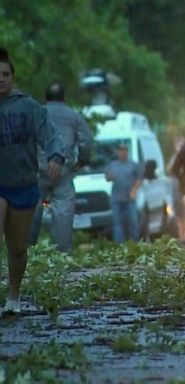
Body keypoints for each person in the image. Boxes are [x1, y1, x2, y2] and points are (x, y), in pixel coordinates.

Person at [0, 47, 65, 315]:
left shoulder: (28, 106)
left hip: (24, 184)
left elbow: (50, 134)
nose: (0, 79)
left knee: (17, 249)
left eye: (5, 74)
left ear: (12, 77)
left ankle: (13, 297)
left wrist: (56, 156)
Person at [29, 81, 93, 254]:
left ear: (45, 97)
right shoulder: (73, 116)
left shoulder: (37, 112)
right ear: (64, 98)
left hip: (39, 168)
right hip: (63, 168)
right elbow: (86, 140)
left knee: (32, 206)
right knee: (63, 209)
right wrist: (82, 161)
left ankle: (27, 251)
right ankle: (63, 253)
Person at [105, 143, 142, 243]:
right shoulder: (112, 165)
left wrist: (134, 190)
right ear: (117, 152)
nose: (122, 152)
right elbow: (107, 177)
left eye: (124, 150)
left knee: (133, 223)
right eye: (120, 150)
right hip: (116, 199)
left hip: (129, 199)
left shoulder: (133, 165)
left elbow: (139, 179)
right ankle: (119, 246)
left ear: (127, 152)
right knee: (118, 224)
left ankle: (135, 244)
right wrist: (110, 176)